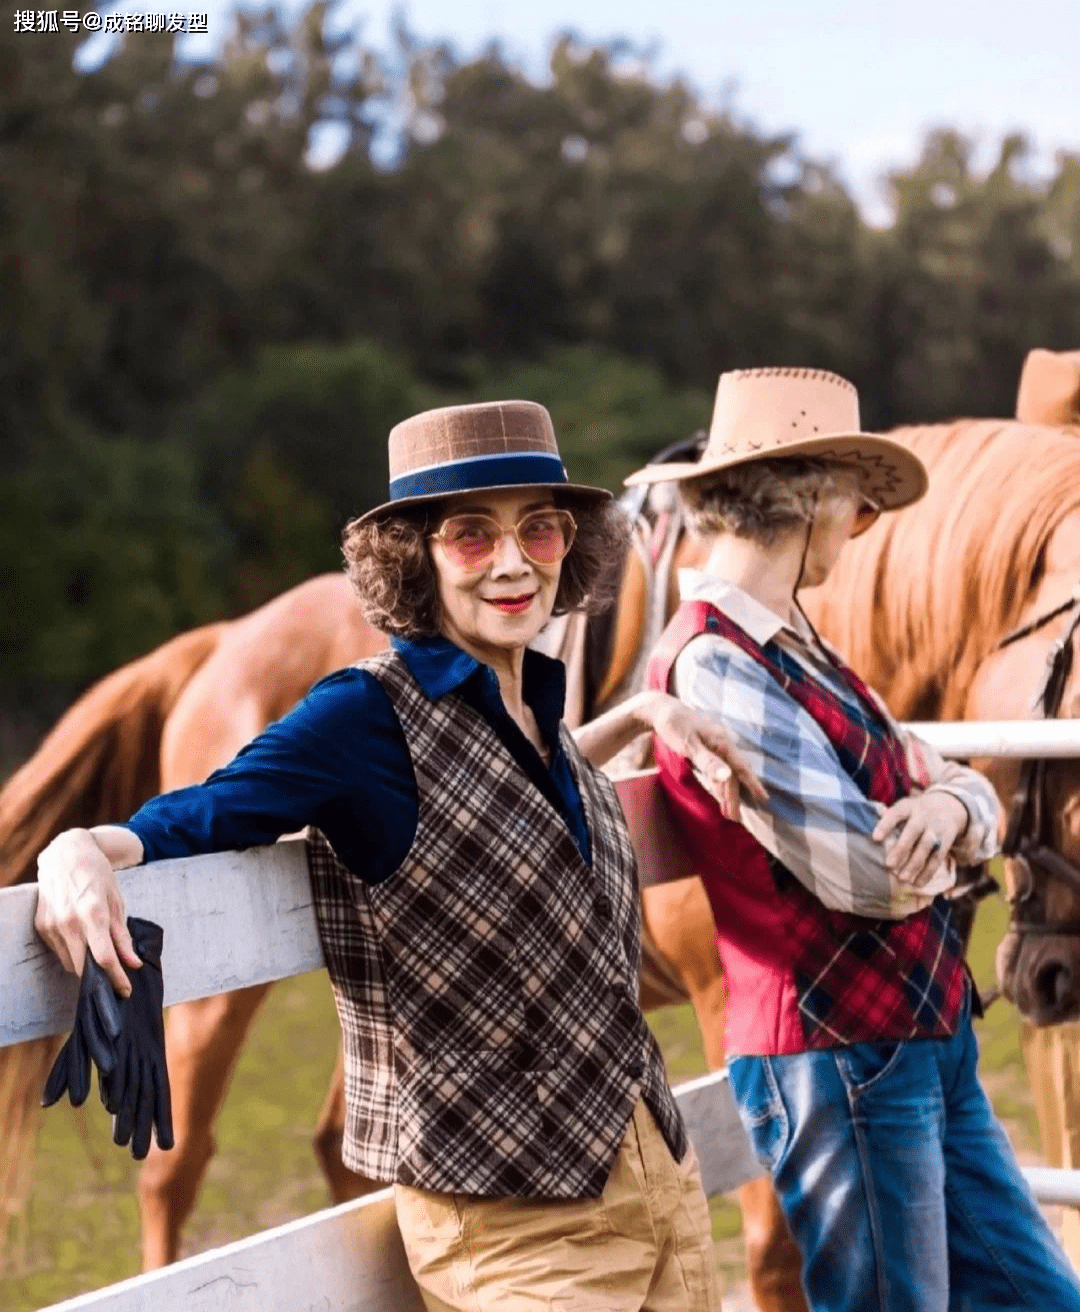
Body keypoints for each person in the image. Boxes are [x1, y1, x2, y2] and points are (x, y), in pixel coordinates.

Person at [34, 399, 765, 1311]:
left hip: (660, 1184)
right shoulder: (363, 716)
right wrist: (76, 851)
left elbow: (535, 790)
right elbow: (208, 809)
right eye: (471, 536)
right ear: (413, 556)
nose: (512, 562)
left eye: (539, 529)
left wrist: (646, 715)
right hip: (516, 1226)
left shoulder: (537, 705)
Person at [627, 367, 1080, 1312]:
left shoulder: (804, 650)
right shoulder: (716, 663)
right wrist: (950, 827)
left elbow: (954, 781)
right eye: (860, 506)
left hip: (919, 1038)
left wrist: (954, 812)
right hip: (836, 1060)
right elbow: (870, 876)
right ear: (810, 497)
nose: (862, 526)